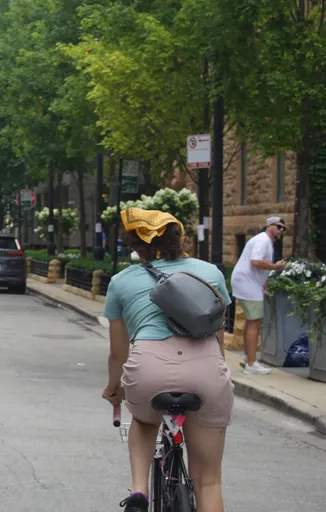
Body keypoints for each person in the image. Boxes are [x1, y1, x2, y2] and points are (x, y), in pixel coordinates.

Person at [102, 208, 233, 512]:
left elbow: (118, 353)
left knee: (145, 420)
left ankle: (139, 491)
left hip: (149, 369)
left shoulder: (121, 282)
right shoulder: (211, 273)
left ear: (135, 245)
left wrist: (115, 388)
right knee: (209, 481)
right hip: (206, 370)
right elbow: (220, 339)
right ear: (179, 236)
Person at [230, 217, 286, 375]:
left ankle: (248, 358)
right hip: (248, 284)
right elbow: (256, 262)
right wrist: (276, 266)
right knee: (255, 321)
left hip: (248, 283)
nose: (281, 230)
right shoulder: (263, 241)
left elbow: (260, 267)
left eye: (283, 228)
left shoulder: (264, 241)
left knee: (251, 319)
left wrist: (264, 285)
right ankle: (251, 364)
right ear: (269, 226)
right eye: (278, 227)